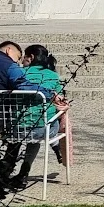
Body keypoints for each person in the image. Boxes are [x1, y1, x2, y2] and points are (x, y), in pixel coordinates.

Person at [0, 41, 57, 186]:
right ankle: (7, 173)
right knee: (21, 131)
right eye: (18, 57)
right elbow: (24, 86)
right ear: (8, 50)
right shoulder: (9, 66)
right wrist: (47, 93)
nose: (18, 61)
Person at [13, 44, 68, 179]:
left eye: (23, 57)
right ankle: (24, 172)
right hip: (42, 128)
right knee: (38, 134)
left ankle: (7, 170)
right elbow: (59, 97)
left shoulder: (20, 74)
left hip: (17, 127)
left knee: (23, 135)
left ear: (31, 58)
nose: (21, 61)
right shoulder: (53, 75)